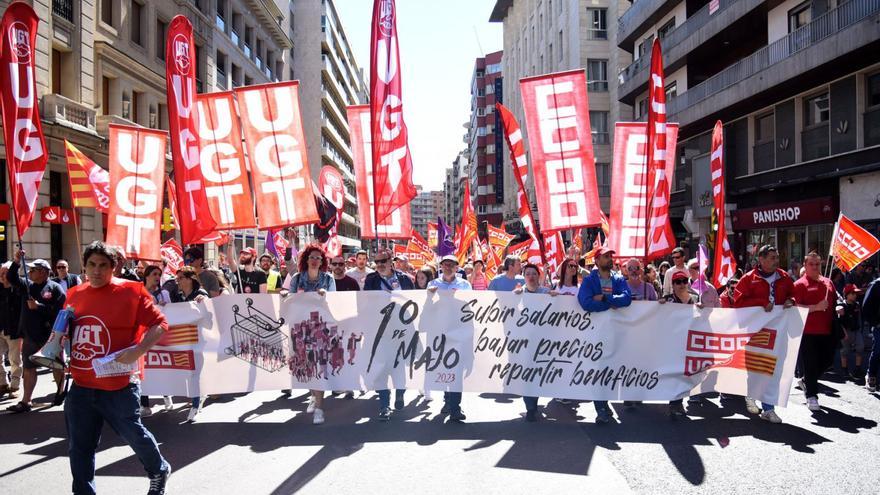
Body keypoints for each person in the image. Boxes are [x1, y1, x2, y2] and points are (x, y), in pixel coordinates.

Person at [63, 241, 171, 494]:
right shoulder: (74, 294)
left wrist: (139, 350)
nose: (96, 270)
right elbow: (67, 329)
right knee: (80, 447)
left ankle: (158, 469)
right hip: (81, 385)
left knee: (134, 435)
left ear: (114, 268)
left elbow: (160, 324)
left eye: (103, 265)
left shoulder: (131, 292)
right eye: (91, 264)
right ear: (84, 266)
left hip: (119, 385)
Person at [733, 244, 795, 423]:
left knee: (772, 368)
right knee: (756, 367)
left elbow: (793, 294)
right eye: (772, 258)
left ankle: (768, 408)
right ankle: (752, 395)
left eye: (777, 257)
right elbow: (738, 303)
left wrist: (791, 300)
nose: (776, 261)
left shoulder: (784, 277)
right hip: (755, 332)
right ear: (761, 259)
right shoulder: (748, 278)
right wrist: (761, 302)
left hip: (777, 332)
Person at [577, 247, 632, 423]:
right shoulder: (589, 280)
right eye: (606, 256)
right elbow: (586, 303)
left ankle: (605, 403)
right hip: (596, 335)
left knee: (611, 370)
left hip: (616, 333)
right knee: (599, 371)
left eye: (610, 256)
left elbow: (626, 298)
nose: (610, 259)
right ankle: (600, 408)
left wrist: (605, 298)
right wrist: (611, 304)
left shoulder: (618, 278)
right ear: (597, 260)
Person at [6, 252, 66, 412]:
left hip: (50, 336)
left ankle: (60, 393)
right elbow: (11, 277)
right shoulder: (27, 286)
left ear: (43, 272)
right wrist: (16, 261)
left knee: (56, 366)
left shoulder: (55, 288)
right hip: (30, 336)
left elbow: (60, 312)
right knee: (29, 367)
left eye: (33, 270)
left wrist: (39, 307)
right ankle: (26, 401)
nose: (30, 272)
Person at [287, 245, 335, 425]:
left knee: (319, 366)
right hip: (300, 329)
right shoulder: (297, 279)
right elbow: (290, 300)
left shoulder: (328, 279)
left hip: (321, 329)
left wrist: (326, 296)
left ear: (322, 262)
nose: (315, 261)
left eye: (318, 258)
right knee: (306, 366)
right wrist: (285, 295)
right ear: (306, 260)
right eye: (312, 257)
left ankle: (320, 409)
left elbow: (335, 302)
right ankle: (313, 395)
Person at [365, 249, 415, 420]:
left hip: (401, 330)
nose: (380, 265)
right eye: (377, 262)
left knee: (399, 366)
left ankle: (400, 393)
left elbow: (414, 301)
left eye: (383, 261)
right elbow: (366, 302)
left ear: (391, 261)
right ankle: (384, 405)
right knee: (381, 367)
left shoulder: (404, 279)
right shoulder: (371, 279)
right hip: (380, 330)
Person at [791, 253, 840, 412]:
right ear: (805, 266)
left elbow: (836, 301)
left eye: (817, 264)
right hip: (808, 332)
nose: (815, 267)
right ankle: (812, 396)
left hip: (827, 330)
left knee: (827, 361)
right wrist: (816, 307)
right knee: (810, 364)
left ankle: (807, 380)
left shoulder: (828, 282)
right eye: (811, 264)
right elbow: (794, 309)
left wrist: (840, 307)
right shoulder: (799, 284)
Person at [427, 255, 472, 422]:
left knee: (456, 372)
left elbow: (470, 306)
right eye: (445, 264)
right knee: (444, 370)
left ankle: (455, 408)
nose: (448, 267)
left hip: (459, 333)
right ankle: (447, 400)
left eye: (451, 265)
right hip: (439, 335)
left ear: (457, 267)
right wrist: (430, 296)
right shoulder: (433, 284)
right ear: (441, 266)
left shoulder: (465, 285)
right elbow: (428, 307)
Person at [514, 263, 558, 421]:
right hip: (524, 343)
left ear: (539, 276)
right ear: (524, 277)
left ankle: (534, 402)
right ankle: (530, 408)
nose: (531, 276)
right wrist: (514, 296)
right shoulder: (519, 293)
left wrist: (556, 297)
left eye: (534, 273)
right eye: (528, 274)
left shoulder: (546, 292)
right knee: (527, 375)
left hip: (543, 342)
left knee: (537, 374)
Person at [659, 271, 701, 417]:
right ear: (673, 284)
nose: (682, 284)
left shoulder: (695, 299)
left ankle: (679, 402)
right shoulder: (668, 300)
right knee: (674, 374)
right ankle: (675, 403)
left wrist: (703, 309)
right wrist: (659, 306)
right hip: (672, 343)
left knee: (685, 375)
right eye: (678, 282)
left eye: (684, 281)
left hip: (690, 343)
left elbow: (703, 319)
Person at [140, 265, 174, 417]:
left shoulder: (163, 294)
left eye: (159, 274)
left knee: (160, 366)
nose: (157, 277)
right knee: (144, 369)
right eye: (154, 274)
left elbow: (172, 312)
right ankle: (144, 404)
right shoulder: (139, 292)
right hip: (143, 336)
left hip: (159, 335)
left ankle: (166, 395)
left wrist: (165, 307)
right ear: (146, 276)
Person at [328, 254, 360, 399]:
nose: (337, 267)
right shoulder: (326, 282)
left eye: (340, 264)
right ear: (330, 265)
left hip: (349, 324)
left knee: (349, 355)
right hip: (331, 325)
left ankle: (349, 386)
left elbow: (359, 302)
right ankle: (336, 385)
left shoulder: (352, 282)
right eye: (335, 264)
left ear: (345, 266)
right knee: (333, 356)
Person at [0, 262, 23, 399]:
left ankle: (14, 386)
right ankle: (2, 383)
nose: (2, 276)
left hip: (14, 330)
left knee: (15, 360)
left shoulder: (18, 289)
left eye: (5, 273)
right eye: (0, 273)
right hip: (0, 329)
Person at [839, 283, 865, 381]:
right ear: (847, 295)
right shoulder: (842, 306)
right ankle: (844, 369)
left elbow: (859, 318)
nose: (855, 296)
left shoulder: (857, 305)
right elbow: (840, 322)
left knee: (860, 347)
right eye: (853, 294)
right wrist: (844, 333)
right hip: (845, 331)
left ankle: (858, 368)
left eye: (856, 294)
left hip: (856, 330)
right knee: (845, 350)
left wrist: (860, 329)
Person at [862, 271, 880, 392]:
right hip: (879, 326)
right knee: (878, 351)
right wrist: (875, 322)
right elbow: (866, 306)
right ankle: (871, 375)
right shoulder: (876, 285)